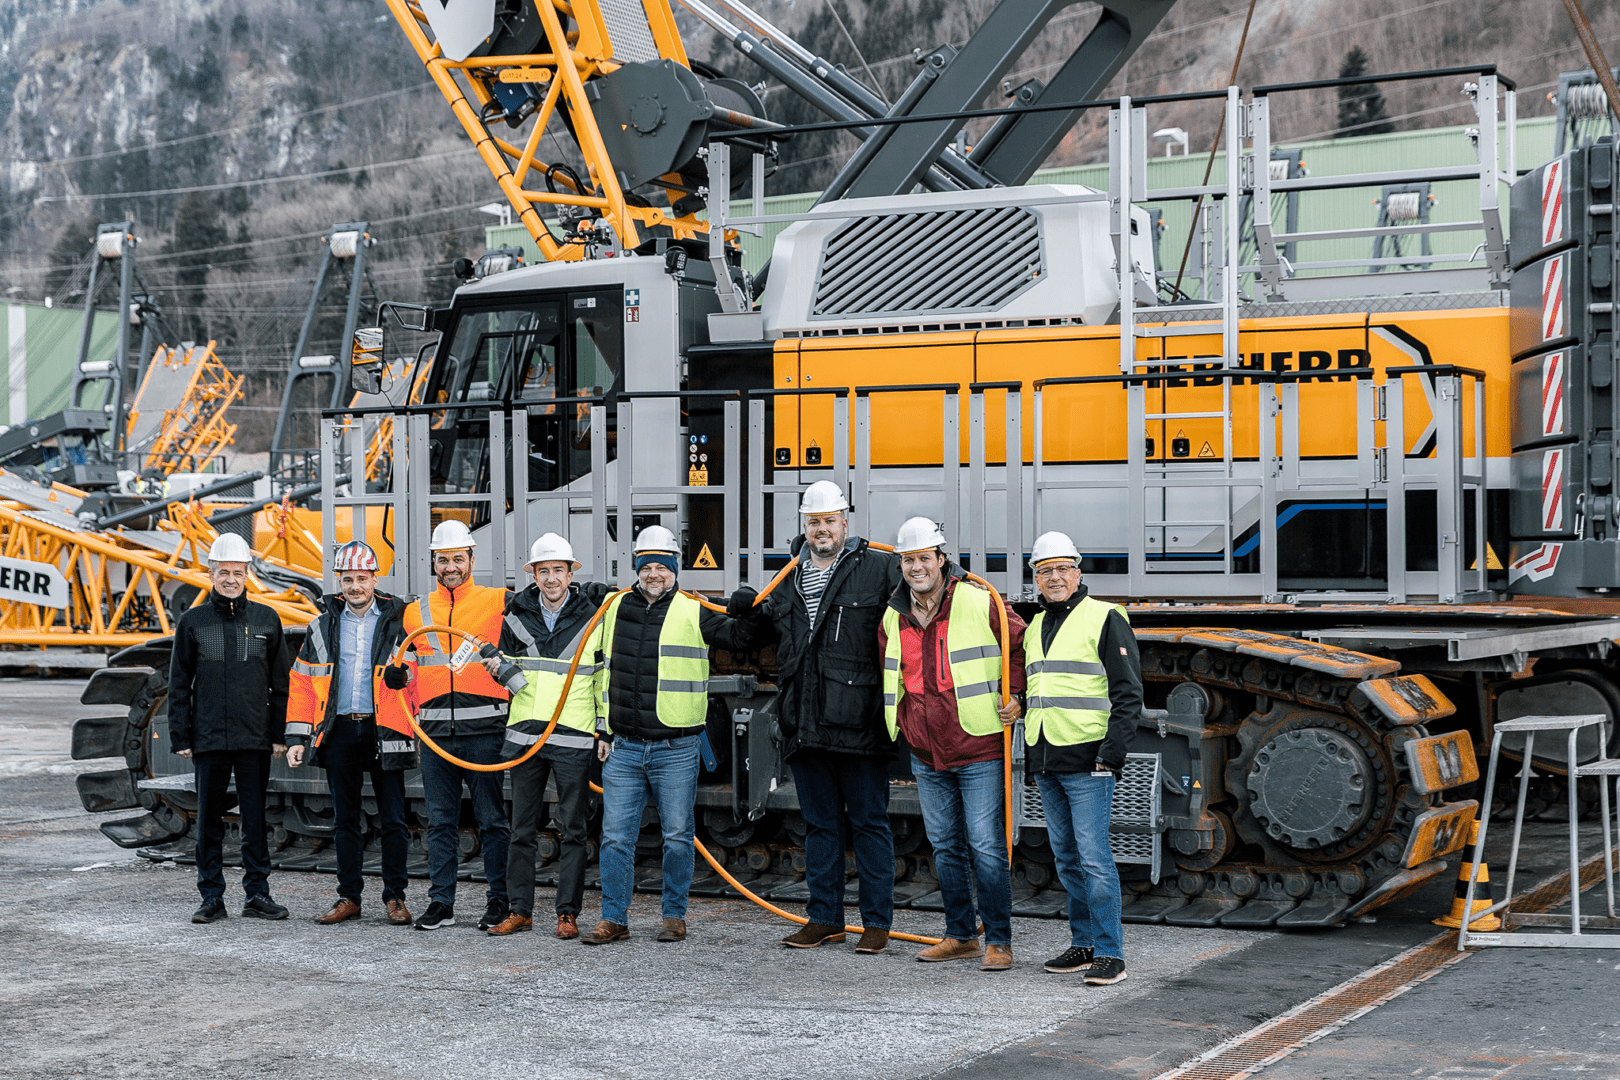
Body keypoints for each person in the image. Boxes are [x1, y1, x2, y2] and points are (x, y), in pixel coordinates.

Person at [581, 525, 764, 947]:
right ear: (637, 569)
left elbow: (741, 637)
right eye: (647, 567)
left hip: (676, 747)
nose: (654, 574)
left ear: (675, 569)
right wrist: (602, 730)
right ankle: (614, 918)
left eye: (662, 567)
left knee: (678, 837)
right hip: (624, 746)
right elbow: (591, 663)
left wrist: (750, 608)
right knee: (615, 838)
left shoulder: (693, 609)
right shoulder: (613, 607)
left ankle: (674, 916)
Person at [758, 481, 901, 954]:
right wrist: (740, 611)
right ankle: (825, 920)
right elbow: (754, 634)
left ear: (845, 522)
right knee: (820, 826)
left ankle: (876, 924)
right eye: (814, 521)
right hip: (806, 724)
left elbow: (929, 591)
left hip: (860, 723)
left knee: (869, 823)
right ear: (805, 525)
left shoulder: (879, 567)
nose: (822, 529)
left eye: (829, 521)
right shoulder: (789, 576)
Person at [878, 517, 1025, 970]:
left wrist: (1017, 695)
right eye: (908, 560)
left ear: (942, 559)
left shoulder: (980, 601)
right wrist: (905, 724)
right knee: (944, 846)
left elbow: (1020, 647)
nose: (916, 567)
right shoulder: (893, 615)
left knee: (986, 846)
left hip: (977, 744)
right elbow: (893, 675)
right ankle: (961, 935)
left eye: (924, 558)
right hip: (926, 752)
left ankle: (998, 940)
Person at [386, 519, 516, 932]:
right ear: (433, 563)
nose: (451, 567)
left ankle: (499, 901)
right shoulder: (415, 611)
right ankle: (441, 903)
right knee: (440, 823)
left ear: (472, 559)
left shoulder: (499, 601)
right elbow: (405, 663)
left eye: (458, 559)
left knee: (493, 821)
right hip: (436, 735)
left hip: (486, 732)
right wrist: (397, 675)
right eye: (443, 560)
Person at [1024, 531, 1140, 986]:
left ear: (1077, 572)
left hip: (1089, 760)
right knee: (1068, 859)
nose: (1054, 577)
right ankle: (1084, 943)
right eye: (1044, 571)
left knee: (1094, 860)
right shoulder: (1035, 626)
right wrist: (1033, 757)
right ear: (1035, 578)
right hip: (1047, 758)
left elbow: (1128, 692)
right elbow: (1038, 692)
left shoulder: (1105, 617)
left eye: (1061, 569)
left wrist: (1111, 755)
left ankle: (1111, 954)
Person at [285, 540, 416, 927]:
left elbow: (421, 669)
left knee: (393, 819)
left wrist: (406, 678)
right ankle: (349, 897)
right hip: (339, 729)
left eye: (361, 578)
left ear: (374, 578)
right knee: (345, 820)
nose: (355, 586)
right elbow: (303, 683)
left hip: (385, 728)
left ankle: (395, 897)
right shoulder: (321, 626)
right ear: (339, 582)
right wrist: (296, 737)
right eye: (347, 579)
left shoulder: (400, 621)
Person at [485, 533, 609, 940]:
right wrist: (501, 671)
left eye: (558, 570)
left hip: (573, 734)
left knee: (573, 829)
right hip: (526, 735)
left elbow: (602, 678)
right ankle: (519, 911)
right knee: (521, 829)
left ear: (571, 574)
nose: (551, 578)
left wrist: (604, 729)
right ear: (533, 576)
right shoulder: (514, 616)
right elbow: (507, 671)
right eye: (544, 571)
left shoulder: (594, 616)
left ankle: (567, 914)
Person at [168, 532, 294, 924]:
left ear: (247, 574)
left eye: (238, 573)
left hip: (255, 738)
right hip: (209, 739)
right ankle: (211, 898)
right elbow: (178, 683)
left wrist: (280, 734)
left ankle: (257, 895)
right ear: (211, 574)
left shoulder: (266, 619)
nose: (231, 580)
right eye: (224, 572)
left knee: (255, 820)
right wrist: (181, 736)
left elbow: (281, 684)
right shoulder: (193, 622)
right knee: (209, 822)